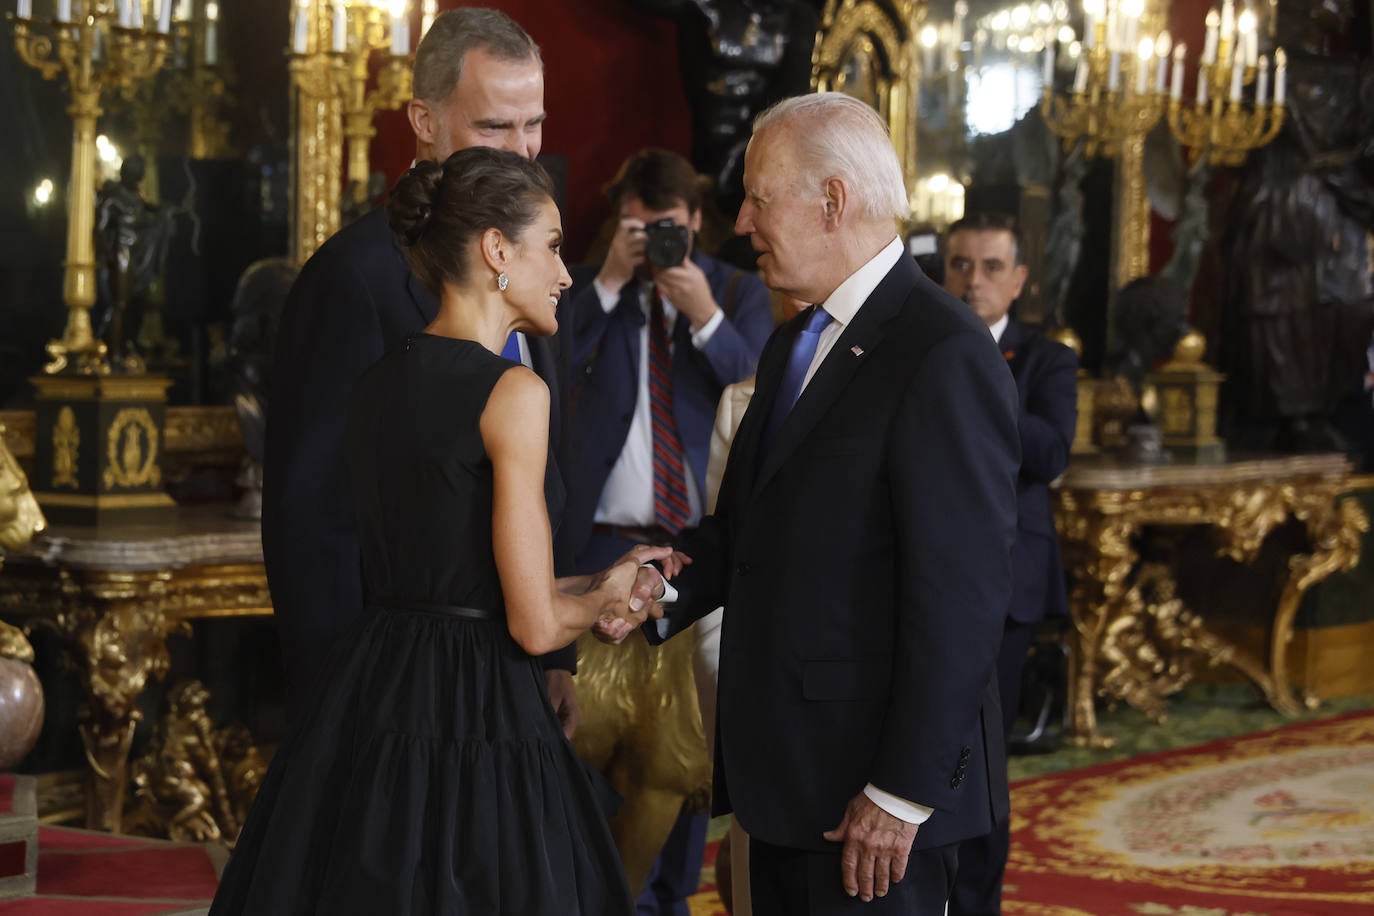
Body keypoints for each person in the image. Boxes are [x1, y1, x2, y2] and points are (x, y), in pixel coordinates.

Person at [210, 148, 676, 915]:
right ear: (497, 249)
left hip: (374, 688)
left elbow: (454, 573)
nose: (566, 273)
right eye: (554, 246)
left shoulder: (379, 381)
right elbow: (528, 624)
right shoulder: (514, 392)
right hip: (479, 707)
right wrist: (611, 599)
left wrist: (592, 582)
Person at [611, 93, 1020, 915]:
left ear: (831, 200)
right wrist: (664, 582)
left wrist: (901, 793)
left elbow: (963, 600)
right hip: (788, 777)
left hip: (870, 801)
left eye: (760, 198)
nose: (744, 223)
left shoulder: (942, 351)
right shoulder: (792, 337)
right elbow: (745, 531)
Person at [261, 8, 582, 730]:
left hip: (515, 673)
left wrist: (558, 656)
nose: (523, 150)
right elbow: (312, 521)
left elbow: (551, 474)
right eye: (494, 127)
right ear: (424, 120)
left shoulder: (541, 264)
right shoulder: (351, 279)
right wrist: (339, 700)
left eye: (533, 124)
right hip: (390, 690)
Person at [560, 146, 772, 915]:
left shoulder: (739, 292)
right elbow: (553, 369)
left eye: (671, 229)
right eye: (641, 229)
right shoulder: (585, 291)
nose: (658, 245)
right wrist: (613, 281)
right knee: (586, 730)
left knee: (685, 743)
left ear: (696, 223)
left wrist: (703, 315)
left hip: (694, 550)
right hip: (597, 547)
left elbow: (760, 394)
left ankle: (669, 896)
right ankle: (588, 889)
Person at [941, 212, 1078, 916]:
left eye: (992, 267)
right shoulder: (921, 348)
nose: (974, 280)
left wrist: (976, 373)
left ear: (1019, 280)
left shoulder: (1046, 358)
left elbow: (1050, 453)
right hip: (928, 580)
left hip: (1008, 591)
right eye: (961, 264)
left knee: (983, 766)